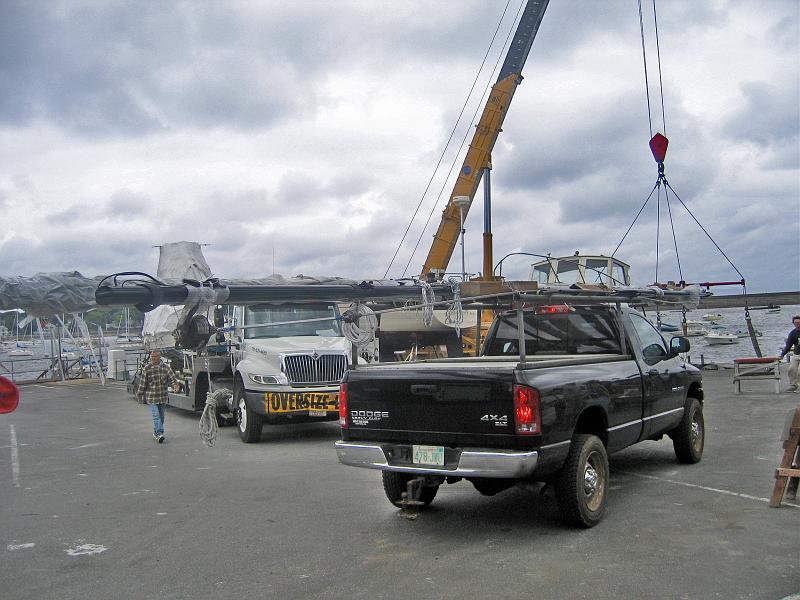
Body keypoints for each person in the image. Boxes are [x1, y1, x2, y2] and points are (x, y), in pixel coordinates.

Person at [136, 350, 181, 442]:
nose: (153, 359)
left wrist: (175, 386)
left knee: (161, 416)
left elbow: (172, 378)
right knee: (156, 415)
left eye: (155, 357)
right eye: (152, 357)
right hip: (152, 397)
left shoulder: (165, 368)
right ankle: (160, 433)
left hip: (162, 397)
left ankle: (156, 432)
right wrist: (139, 395)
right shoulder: (147, 368)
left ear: (159, 357)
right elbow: (143, 383)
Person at [778, 315, 800, 392]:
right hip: (797, 354)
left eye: (798, 322)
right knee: (791, 369)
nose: (797, 324)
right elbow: (788, 346)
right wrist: (782, 355)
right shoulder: (792, 333)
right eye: (795, 323)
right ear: (793, 323)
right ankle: (793, 385)